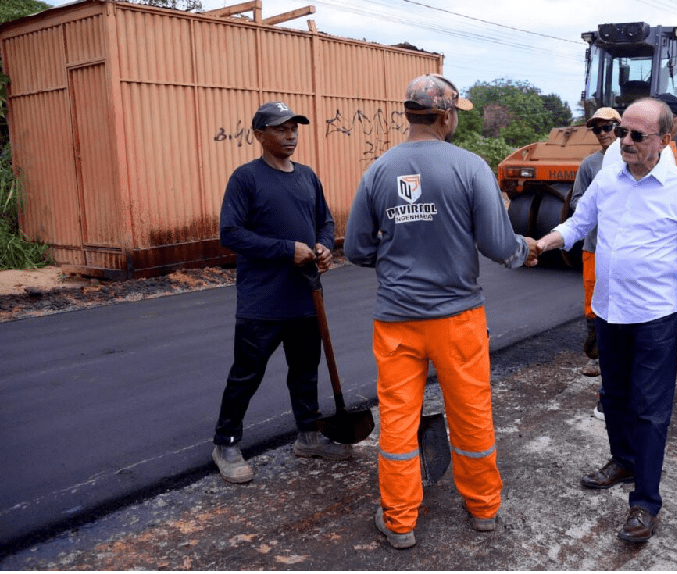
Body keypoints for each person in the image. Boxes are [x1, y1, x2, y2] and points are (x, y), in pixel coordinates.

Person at [344, 73, 539, 549]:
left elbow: (355, 249)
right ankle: (483, 510)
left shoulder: (379, 171)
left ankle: (400, 520)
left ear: (410, 114)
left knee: (397, 419)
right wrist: (523, 249)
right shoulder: (470, 167)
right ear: (446, 115)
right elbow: (497, 244)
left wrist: (392, 257)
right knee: (471, 412)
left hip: (396, 320)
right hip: (457, 320)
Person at [534, 98, 677, 543]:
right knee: (613, 396)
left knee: (651, 412)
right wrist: (544, 243)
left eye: (636, 135)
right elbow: (579, 223)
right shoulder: (610, 176)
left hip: (654, 318)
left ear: (665, 140)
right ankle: (623, 459)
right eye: (621, 133)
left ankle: (645, 503)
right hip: (610, 311)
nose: (623, 141)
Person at [211, 101, 351, 484]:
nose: (290, 135)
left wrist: (323, 247)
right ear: (259, 135)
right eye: (281, 129)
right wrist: (286, 249)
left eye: (294, 128)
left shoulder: (307, 177)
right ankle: (225, 442)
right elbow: (231, 234)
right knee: (247, 374)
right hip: (263, 300)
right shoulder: (246, 179)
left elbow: (324, 221)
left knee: (305, 371)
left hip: (306, 296)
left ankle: (308, 437)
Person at [569, 107, 622, 418]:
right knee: (592, 301)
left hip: (622, 248)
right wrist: (593, 201)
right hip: (593, 245)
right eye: (597, 129)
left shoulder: (632, 158)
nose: (603, 133)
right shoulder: (590, 164)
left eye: (608, 127)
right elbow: (576, 200)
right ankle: (595, 355)